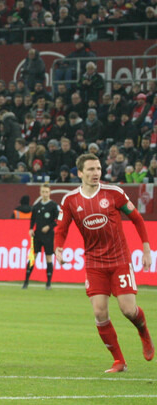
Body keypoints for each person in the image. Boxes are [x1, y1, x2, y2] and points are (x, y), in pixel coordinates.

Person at [54, 153, 153, 373]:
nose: (96, 173)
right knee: (100, 313)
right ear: (80, 173)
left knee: (128, 310)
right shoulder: (70, 200)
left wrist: (146, 250)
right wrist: (58, 247)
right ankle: (119, 361)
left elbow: (137, 219)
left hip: (119, 260)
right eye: (90, 169)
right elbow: (61, 229)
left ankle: (143, 332)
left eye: (98, 168)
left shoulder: (114, 193)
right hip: (94, 263)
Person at [22, 184, 60, 290]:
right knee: (33, 257)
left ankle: (48, 283)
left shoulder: (53, 205)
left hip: (49, 235)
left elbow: (59, 219)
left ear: (50, 193)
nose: (45, 194)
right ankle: (26, 282)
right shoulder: (36, 206)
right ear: (40, 193)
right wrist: (31, 229)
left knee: (48, 257)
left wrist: (49, 226)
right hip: (37, 235)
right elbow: (32, 219)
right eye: (43, 192)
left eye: (46, 192)